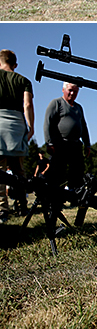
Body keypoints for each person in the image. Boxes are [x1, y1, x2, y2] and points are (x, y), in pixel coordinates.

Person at [0, 48, 34, 222]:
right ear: (15, 64)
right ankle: (22, 206)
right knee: (19, 171)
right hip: (16, 125)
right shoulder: (23, 80)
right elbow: (27, 105)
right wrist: (31, 126)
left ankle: (2, 210)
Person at [44, 80, 91, 193]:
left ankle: (75, 197)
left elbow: (84, 127)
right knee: (58, 173)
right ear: (63, 89)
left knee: (77, 173)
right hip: (61, 144)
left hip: (76, 145)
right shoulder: (56, 103)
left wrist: (87, 144)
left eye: (75, 91)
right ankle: (54, 202)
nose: (72, 94)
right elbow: (47, 123)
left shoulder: (78, 108)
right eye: (70, 90)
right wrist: (49, 143)